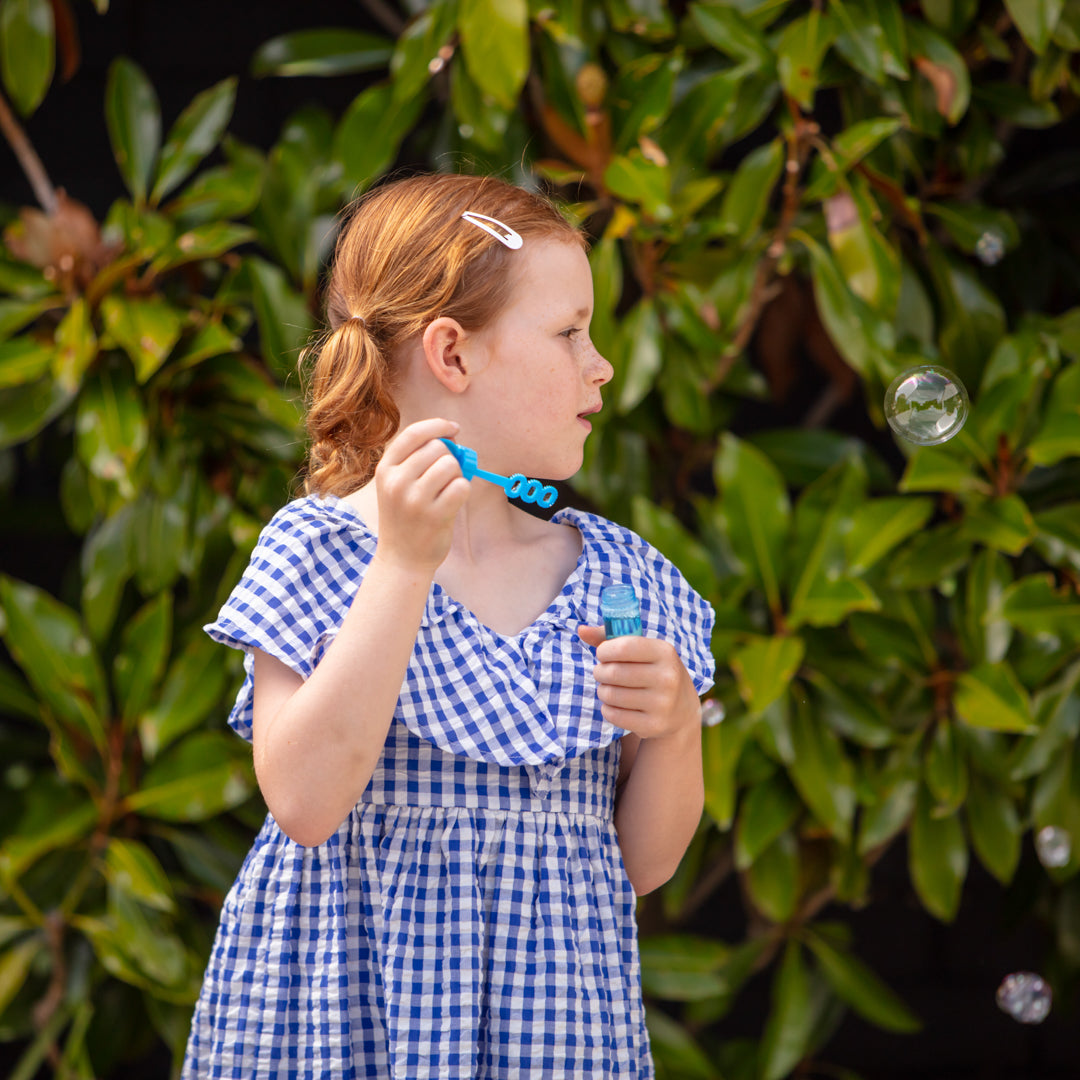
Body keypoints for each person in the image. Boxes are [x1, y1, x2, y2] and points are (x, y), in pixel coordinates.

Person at [183, 172, 715, 1079]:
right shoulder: (321, 552)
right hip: (341, 1023)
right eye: (569, 333)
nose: (602, 364)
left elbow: (644, 864)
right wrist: (402, 566)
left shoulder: (619, 581)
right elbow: (305, 804)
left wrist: (671, 735)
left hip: (552, 1036)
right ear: (454, 356)